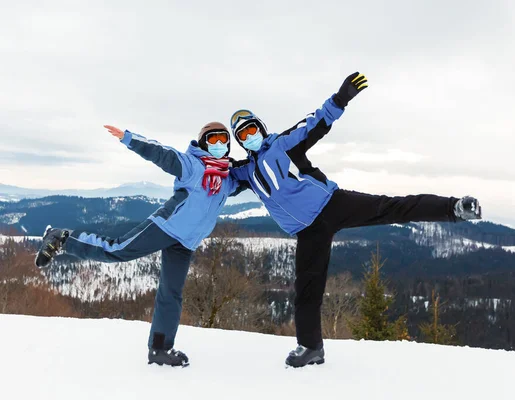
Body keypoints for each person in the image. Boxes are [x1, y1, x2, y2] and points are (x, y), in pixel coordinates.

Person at [228, 72, 482, 368]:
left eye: (252, 129)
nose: (250, 136)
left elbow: (314, 124)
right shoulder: (245, 171)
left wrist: (340, 99)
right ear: (240, 142)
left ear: (261, 127)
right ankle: (311, 348)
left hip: (333, 204)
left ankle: (454, 208)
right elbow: (223, 179)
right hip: (308, 232)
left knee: (392, 207)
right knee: (307, 291)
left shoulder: (283, 144)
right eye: (243, 135)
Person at [35, 122, 241, 367]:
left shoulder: (228, 180)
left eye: (223, 140)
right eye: (212, 139)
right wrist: (129, 138)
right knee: (117, 249)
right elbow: (161, 153)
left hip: (186, 242)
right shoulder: (191, 165)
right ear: (204, 143)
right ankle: (62, 238)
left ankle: (160, 349)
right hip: (166, 226)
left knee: (171, 293)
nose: (218, 145)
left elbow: (253, 176)